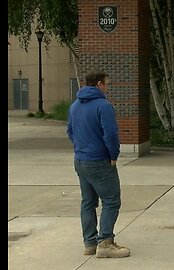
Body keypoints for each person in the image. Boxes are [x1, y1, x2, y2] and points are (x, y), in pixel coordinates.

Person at [67, 69, 130, 258]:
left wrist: (82, 147)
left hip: (81, 160)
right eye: (107, 83)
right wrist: (113, 155)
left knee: (88, 202)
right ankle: (105, 243)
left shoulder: (74, 106)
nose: (107, 87)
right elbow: (110, 134)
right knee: (111, 201)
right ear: (99, 84)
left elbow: (70, 132)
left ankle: (90, 244)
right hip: (100, 161)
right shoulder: (104, 106)